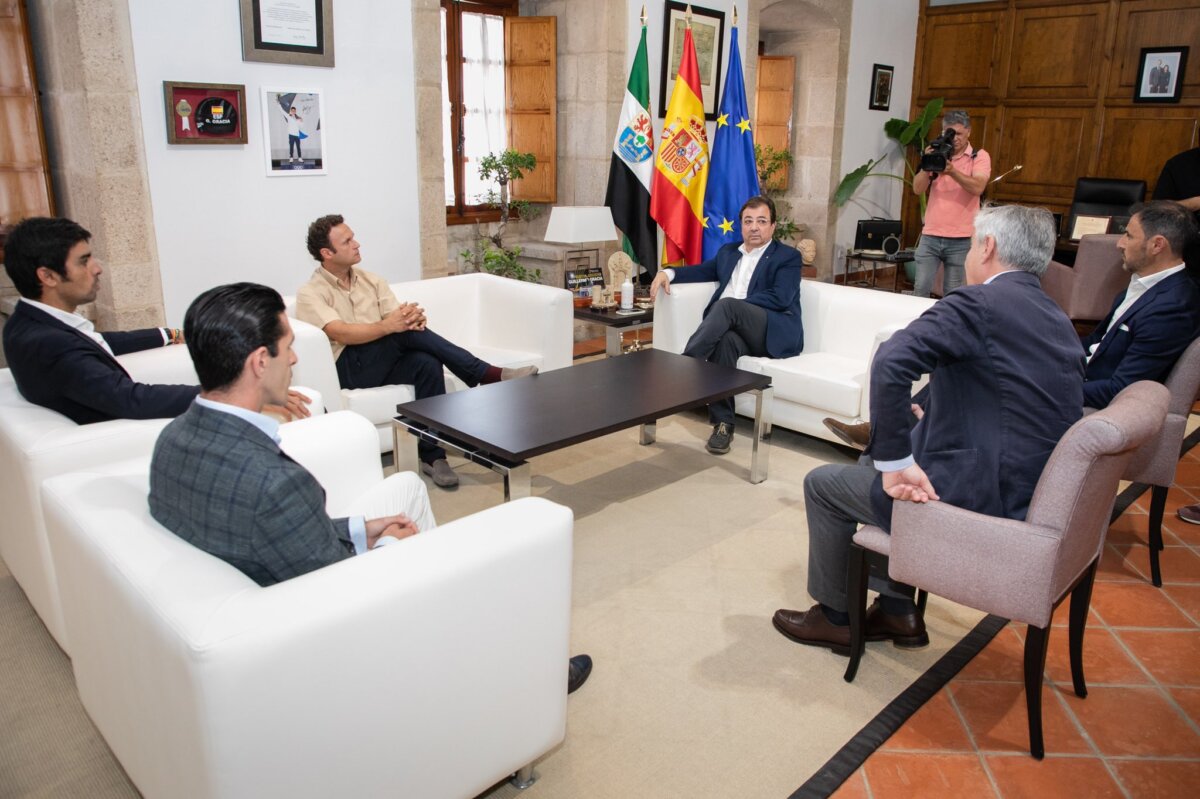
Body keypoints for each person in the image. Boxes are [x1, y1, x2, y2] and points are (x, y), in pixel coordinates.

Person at [149, 282, 592, 694]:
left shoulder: (171, 441)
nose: (297, 360)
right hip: (330, 619)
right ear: (259, 362)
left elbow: (290, 534)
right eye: (288, 349)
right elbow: (336, 593)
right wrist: (383, 549)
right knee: (487, 556)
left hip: (271, 573)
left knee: (406, 489)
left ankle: (435, 604)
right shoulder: (275, 486)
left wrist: (362, 529)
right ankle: (523, 673)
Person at [774, 205, 1084, 655]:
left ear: (988, 246)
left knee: (823, 484)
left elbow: (892, 361)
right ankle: (898, 609)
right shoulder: (1056, 316)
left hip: (979, 495)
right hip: (1032, 487)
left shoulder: (978, 302)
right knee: (875, 456)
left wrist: (898, 464)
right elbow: (999, 386)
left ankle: (836, 618)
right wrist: (921, 414)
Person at [822, 200, 1200, 450]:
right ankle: (900, 430)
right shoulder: (1138, 287)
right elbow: (1094, 343)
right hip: (1074, 374)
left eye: (1129, 236)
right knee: (974, 361)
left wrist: (1054, 378)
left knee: (975, 370)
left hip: (1088, 398)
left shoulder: (1174, 304)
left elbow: (1123, 387)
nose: (1119, 244)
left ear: (1158, 245)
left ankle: (900, 439)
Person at [295, 214, 537, 489]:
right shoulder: (311, 292)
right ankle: (485, 372)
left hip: (380, 361)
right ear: (327, 253)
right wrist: (395, 325)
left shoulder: (371, 281)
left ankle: (433, 456)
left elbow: (397, 318)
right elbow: (340, 332)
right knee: (404, 333)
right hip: (348, 367)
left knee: (426, 361)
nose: (357, 244)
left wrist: (412, 318)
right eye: (348, 241)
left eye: (354, 237)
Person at [1, 216, 309, 424]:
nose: (97, 269)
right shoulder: (51, 346)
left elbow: (97, 343)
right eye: (84, 261)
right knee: (293, 404)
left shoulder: (29, 323)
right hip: (131, 436)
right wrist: (237, 398)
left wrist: (170, 334)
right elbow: (130, 399)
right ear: (48, 276)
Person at [648, 195, 803, 455]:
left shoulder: (787, 257)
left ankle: (683, 370)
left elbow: (781, 297)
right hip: (737, 331)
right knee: (726, 343)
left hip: (771, 329)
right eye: (748, 221)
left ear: (773, 226)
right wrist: (668, 272)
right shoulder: (728, 252)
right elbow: (701, 271)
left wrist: (737, 307)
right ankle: (723, 424)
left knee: (728, 304)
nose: (754, 227)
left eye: (762, 221)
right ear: (741, 225)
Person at [910, 110, 992, 298]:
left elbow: (978, 187)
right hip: (930, 235)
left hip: (961, 239)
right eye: (949, 133)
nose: (954, 138)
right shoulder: (937, 153)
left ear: (969, 132)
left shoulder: (979, 156)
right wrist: (927, 164)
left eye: (959, 134)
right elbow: (917, 189)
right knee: (920, 289)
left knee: (953, 295)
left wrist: (952, 171)